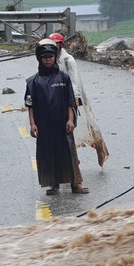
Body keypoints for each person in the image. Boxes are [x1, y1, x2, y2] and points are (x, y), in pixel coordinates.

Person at [24, 38, 86, 195]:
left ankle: (75, 184)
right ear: (39, 58)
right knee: (47, 154)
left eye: (50, 57)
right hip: (44, 125)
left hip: (63, 124)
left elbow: (70, 102)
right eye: (44, 57)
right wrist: (32, 125)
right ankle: (53, 184)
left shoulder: (64, 78)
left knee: (69, 152)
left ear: (55, 57)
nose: (48, 60)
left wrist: (71, 119)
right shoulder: (33, 82)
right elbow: (30, 106)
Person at [49, 32, 109, 174]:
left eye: (55, 44)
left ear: (61, 45)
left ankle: (99, 150)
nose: (53, 47)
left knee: (87, 125)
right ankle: (70, 160)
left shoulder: (68, 60)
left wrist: (74, 99)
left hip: (72, 99)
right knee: (62, 132)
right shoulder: (49, 59)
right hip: (56, 101)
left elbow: (75, 81)